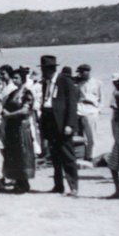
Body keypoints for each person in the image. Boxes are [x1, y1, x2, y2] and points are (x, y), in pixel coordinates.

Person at [39, 55, 79, 196]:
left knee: (67, 155)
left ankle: (73, 186)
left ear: (49, 69)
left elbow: (72, 105)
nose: (42, 72)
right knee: (54, 156)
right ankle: (58, 185)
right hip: (50, 121)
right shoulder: (46, 83)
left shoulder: (65, 81)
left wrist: (70, 124)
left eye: (43, 69)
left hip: (62, 123)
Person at [2, 67, 36, 193]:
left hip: (21, 126)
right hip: (12, 127)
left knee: (23, 153)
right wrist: (4, 112)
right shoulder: (12, 93)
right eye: (13, 78)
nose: (14, 80)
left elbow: (25, 110)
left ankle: (24, 182)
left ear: (22, 79)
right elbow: (5, 105)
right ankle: (17, 180)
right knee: (13, 153)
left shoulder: (27, 93)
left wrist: (9, 115)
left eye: (17, 78)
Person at [76, 64, 102, 162]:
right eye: (80, 72)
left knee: (92, 135)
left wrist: (98, 110)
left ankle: (91, 156)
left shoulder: (97, 83)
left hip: (92, 110)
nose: (81, 74)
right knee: (82, 135)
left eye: (82, 72)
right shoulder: (79, 84)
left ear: (87, 71)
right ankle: (85, 156)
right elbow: (76, 97)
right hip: (81, 110)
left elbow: (101, 98)